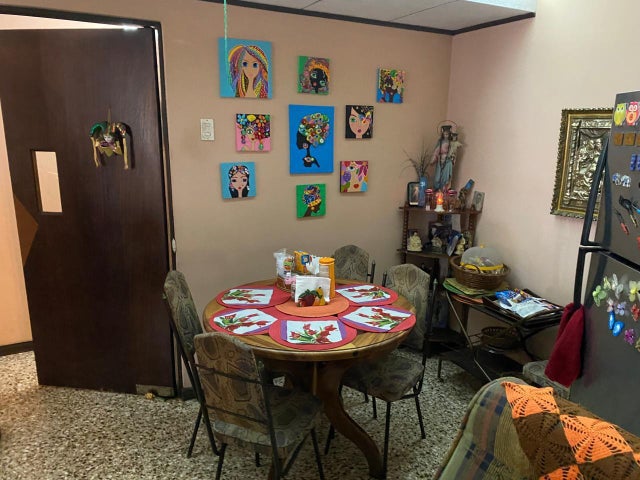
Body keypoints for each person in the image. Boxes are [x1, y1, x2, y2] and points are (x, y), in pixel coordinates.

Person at [430, 124, 459, 191]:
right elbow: (436, 151)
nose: (446, 135)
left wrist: (452, 157)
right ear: (442, 134)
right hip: (440, 160)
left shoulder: (451, 142)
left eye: (447, 134)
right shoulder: (440, 141)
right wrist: (433, 159)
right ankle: (437, 189)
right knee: (437, 178)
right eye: (445, 134)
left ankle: (444, 191)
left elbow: (454, 151)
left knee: (445, 178)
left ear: (449, 134)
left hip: (448, 161)